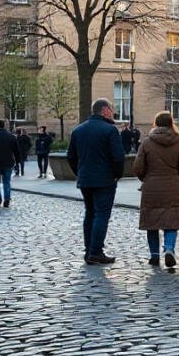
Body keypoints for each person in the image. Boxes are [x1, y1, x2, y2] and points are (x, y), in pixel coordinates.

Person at [68, 98, 126, 265]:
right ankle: (96, 251)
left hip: (85, 179)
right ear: (105, 110)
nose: (114, 112)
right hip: (104, 179)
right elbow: (118, 157)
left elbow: (70, 156)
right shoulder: (110, 130)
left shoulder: (78, 130)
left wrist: (79, 173)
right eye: (112, 109)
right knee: (101, 215)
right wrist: (116, 175)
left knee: (90, 214)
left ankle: (89, 251)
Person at [134, 111, 179, 269]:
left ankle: (154, 255)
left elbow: (138, 167)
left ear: (156, 123)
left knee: (152, 221)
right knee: (171, 221)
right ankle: (170, 248)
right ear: (171, 123)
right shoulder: (178, 143)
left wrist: (146, 178)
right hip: (172, 186)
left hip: (151, 187)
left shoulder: (146, 143)